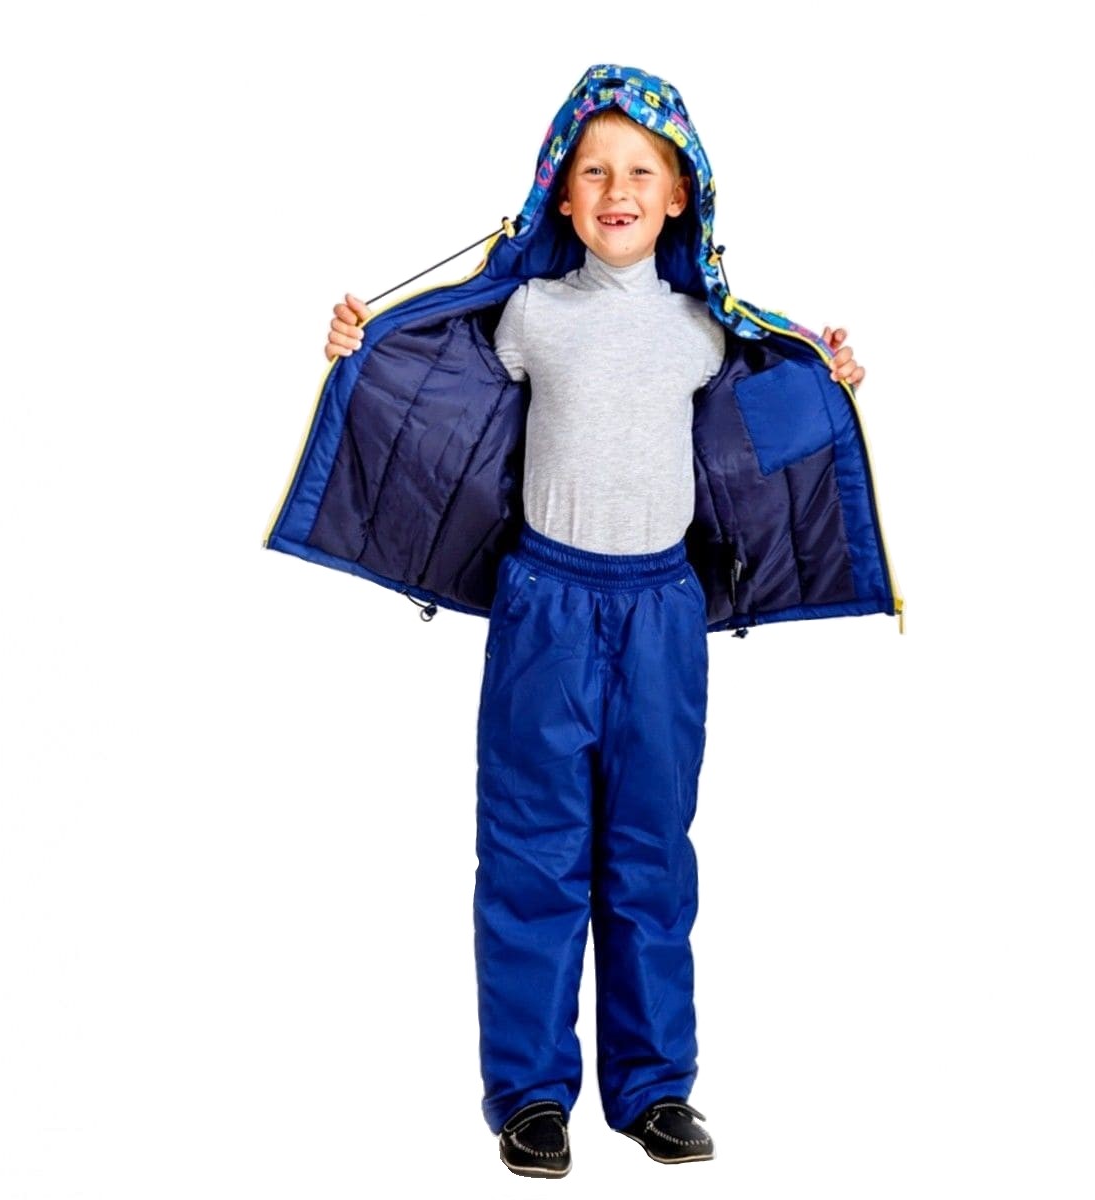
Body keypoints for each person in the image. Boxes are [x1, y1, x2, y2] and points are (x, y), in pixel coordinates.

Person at [320, 73, 866, 1179]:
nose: (617, 189)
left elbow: (775, 416)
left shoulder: (704, 330)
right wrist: (354, 343)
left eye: (641, 171)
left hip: (661, 615)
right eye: (594, 170)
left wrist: (835, 375)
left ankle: (655, 1087)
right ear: (560, 195)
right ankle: (530, 1094)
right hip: (546, 612)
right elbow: (426, 378)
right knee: (532, 851)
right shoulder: (532, 313)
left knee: (650, 854)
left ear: (680, 195)